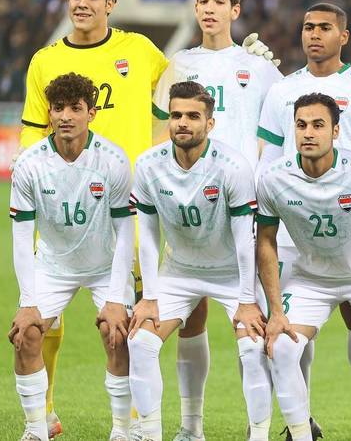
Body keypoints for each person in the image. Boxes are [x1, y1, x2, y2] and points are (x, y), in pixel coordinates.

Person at [150, 0, 282, 438]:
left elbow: (283, 124)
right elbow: (160, 128)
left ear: (235, 11)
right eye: (202, 0)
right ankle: (191, 428)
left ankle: (273, 423)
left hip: (246, 206)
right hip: (191, 204)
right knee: (192, 316)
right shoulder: (178, 64)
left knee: (256, 324)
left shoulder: (259, 66)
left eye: (219, 0)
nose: (209, 8)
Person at [256, 3, 351, 439]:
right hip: (294, 225)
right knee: (290, 334)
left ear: (343, 36)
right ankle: (302, 424)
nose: (314, 34)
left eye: (325, 27)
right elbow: (268, 156)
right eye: (308, 27)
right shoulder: (282, 90)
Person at [127, 81, 259, 441]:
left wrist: (248, 300)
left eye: (192, 116)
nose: (182, 122)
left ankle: (259, 435)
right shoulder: (148, 164)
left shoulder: (233, 166)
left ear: (209, 123)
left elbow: (246, 240)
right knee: (140, 342)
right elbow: (148, 236)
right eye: (176, 115)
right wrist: (150, 296)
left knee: (254, 345)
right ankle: (162, 434)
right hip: (179, 271)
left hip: (232, 272)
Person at [9, 72, 135, 441]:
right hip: (53, 266)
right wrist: (28, 303)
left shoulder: (113, 160)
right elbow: (21, 238)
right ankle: (36, 428)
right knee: (26, 334)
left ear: (91, 113)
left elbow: (125, 232)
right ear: (49, 113)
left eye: (75, 108)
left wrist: (116, 298)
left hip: (104, 266)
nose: (65, 116)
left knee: (117, 334)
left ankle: (122, 430)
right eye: (58, 108)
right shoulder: (29, 164)